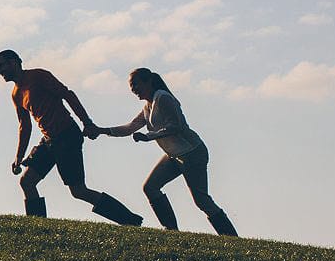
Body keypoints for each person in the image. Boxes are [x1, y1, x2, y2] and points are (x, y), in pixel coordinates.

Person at [0, 49, 143, 225]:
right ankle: (37, 227)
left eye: (1, 66)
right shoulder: (16, 94)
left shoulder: (39, 76)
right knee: (27, 182)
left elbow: (67, 95)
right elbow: (24, 126)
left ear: (13, 62)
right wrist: (19, 156)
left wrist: (87, 122)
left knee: (78, 191)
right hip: (48, 141)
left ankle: (129, 220)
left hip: (67, 136)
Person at [98, 67, 237, 236]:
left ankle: (230, 237)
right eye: (131, 86)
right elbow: (130, 127)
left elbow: (175, 126)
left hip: (192, 153)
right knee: (150, 187)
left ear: (148, 81)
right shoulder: (147, 107)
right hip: (174, 155)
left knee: (201, 200)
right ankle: (171, 231)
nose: (133, 89)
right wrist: (102, 130)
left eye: (135, 84)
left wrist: (149, 136)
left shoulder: (163, 98)